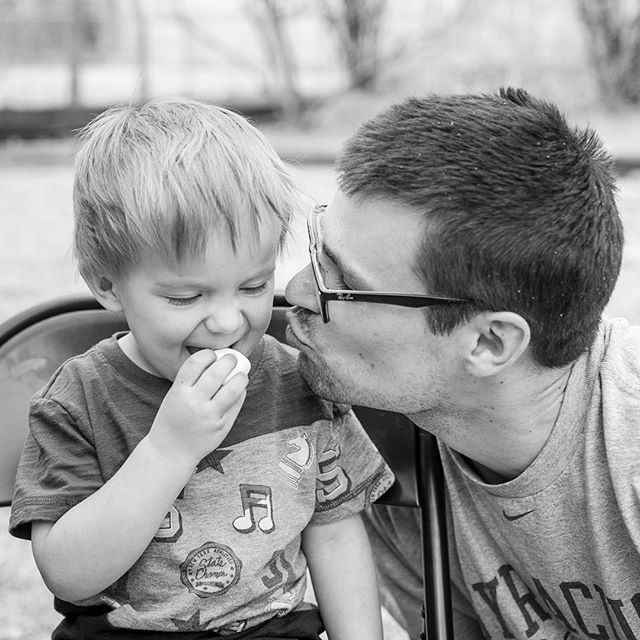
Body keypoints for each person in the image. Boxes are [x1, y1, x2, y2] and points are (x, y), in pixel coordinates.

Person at [9, 98, 394, 640]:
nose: (228, 321)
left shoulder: (298, 381)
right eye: (187, 297)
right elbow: (69, 576)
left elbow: (333, 533)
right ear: (106, 284)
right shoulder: (79, 399)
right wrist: (170, 448)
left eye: (255, 286)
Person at [284, 87, 640, 639]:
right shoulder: (377, 452)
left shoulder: (627, 452)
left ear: (490, 344)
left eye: (345, 282)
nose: (297, 290)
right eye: (316, 251)